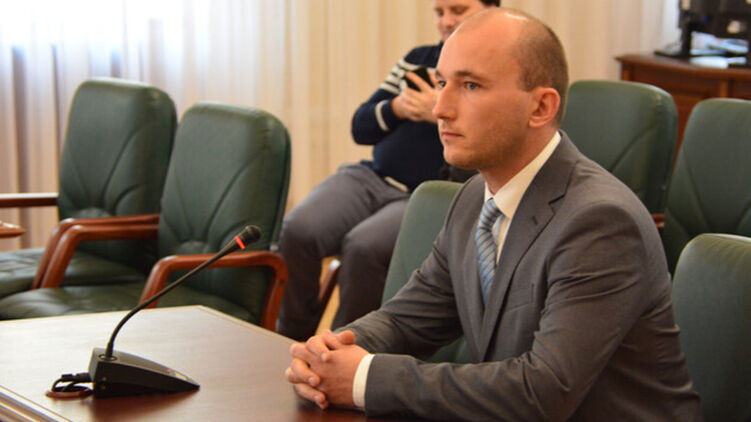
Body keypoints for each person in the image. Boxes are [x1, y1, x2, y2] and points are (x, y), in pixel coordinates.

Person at [285, 8, 703, 421]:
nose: (441, 108)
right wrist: (330, 352)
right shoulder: (473, 197)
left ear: (540, 107)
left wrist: (364, 378)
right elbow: (409, 319)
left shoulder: (601, 222)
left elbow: (542, 392)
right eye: (442, 83)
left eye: (470, 85)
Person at [276, 0, 499, 341]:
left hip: (422, 195)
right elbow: (360, 127)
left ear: (491, 9)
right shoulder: (418, 59)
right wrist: (397, 107)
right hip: (369, 177)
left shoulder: (491, 73)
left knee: (363, 247)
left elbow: (491, 143)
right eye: (439, 12)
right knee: (298, 228)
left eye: (457, 10)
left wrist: (439, 111)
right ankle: (289, 338)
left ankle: (343, 350)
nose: (445, 21)